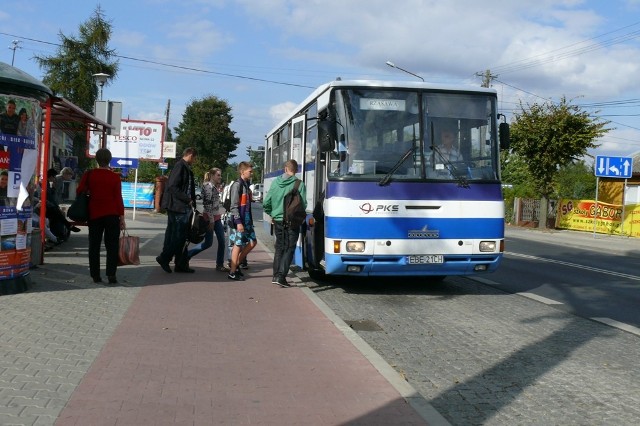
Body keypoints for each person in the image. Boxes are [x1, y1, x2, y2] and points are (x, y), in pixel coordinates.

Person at [76, 148, 125, 284]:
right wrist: (122, 217)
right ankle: (111, 274)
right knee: (112, 245)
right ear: (109, 160)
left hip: (95, 214)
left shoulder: (89, 174)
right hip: (112, 215)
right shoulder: (115, 177)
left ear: (96, 159)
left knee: (94, 246)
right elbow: (118, 199)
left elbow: (79, 190)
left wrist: (90, 190)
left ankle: (95, 276)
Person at [263, 159, 307, 287]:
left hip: (277, 220)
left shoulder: (275, 183)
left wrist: (272, 213)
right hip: (292, 221)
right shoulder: (299, 184)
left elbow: (266, 203)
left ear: (285, 169)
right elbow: (303, 204)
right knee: (289, 248)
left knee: (279, 247)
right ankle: (281, 277)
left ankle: (275, 275)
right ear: (296, 170)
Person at [156, 147, 197, 274]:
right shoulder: (180, 166)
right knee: (179, 237)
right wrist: (188, 199)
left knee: (179, 237)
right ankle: (164, 258)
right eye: (195, 158)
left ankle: (180, 263)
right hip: (178, 207)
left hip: (181, 207)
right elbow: (172, 186)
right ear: (190, 155)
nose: (195, 161)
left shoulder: (185, 168)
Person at [187, 168, 228, 272]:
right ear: (212, 175)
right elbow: (207, 205)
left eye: (220, 175)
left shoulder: (214, 187)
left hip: (216, 218)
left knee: (221, 241)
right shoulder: (207, 187)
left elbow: (214, 204)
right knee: (208, 243)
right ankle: (187, 254)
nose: (220, 177)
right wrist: (211, 220)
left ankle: (219, 264)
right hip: (210, 219)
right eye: (218, 175)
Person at [227, 161, 257, 281]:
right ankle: (232, 272)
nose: (252, 173)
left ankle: (235, 265)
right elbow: (234, 206)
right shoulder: (237, 185)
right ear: (242, 171)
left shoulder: (246, 184)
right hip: (240, 220)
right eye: (250, 171)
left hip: (247, 220)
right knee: (238, 245)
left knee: (252, 242)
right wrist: (238, 222)